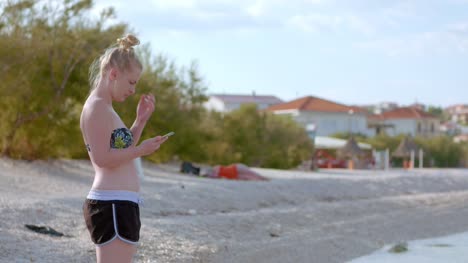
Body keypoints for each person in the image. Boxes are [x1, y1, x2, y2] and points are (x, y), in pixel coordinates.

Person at [80, 34, 169, 263]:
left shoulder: (105, 108)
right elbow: (102, 158)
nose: (132, 90)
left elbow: (119, 149)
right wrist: (141, 150)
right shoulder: (97, 108)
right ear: (113, 74)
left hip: (119, 203)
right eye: (131, 82)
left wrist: (140, 122)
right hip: (112, 204)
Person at [202, 163, 269, 181]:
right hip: (235, 175)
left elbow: (215, 172)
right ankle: (262, 179)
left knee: (251, 173)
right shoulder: (216, 176)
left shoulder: (216, 169)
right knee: (249, 178)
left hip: (236, 168)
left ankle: (263, 177)